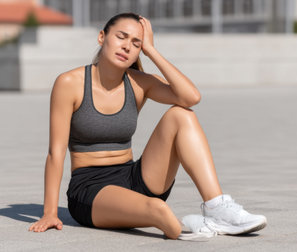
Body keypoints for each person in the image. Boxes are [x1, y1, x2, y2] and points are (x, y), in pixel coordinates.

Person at [28, 13, 267, 240]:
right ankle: (177, 226)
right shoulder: (70, 83)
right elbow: (55, 153)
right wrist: (50, 212)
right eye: (121, 37)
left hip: (135, 178)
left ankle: (216, 208)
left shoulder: (139, 83)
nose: (126, 46)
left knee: (182, 115)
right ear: (102, 37)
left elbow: (191, 97)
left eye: (136, 43)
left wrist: (152, 51)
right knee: (159, 210)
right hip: (90, 189)